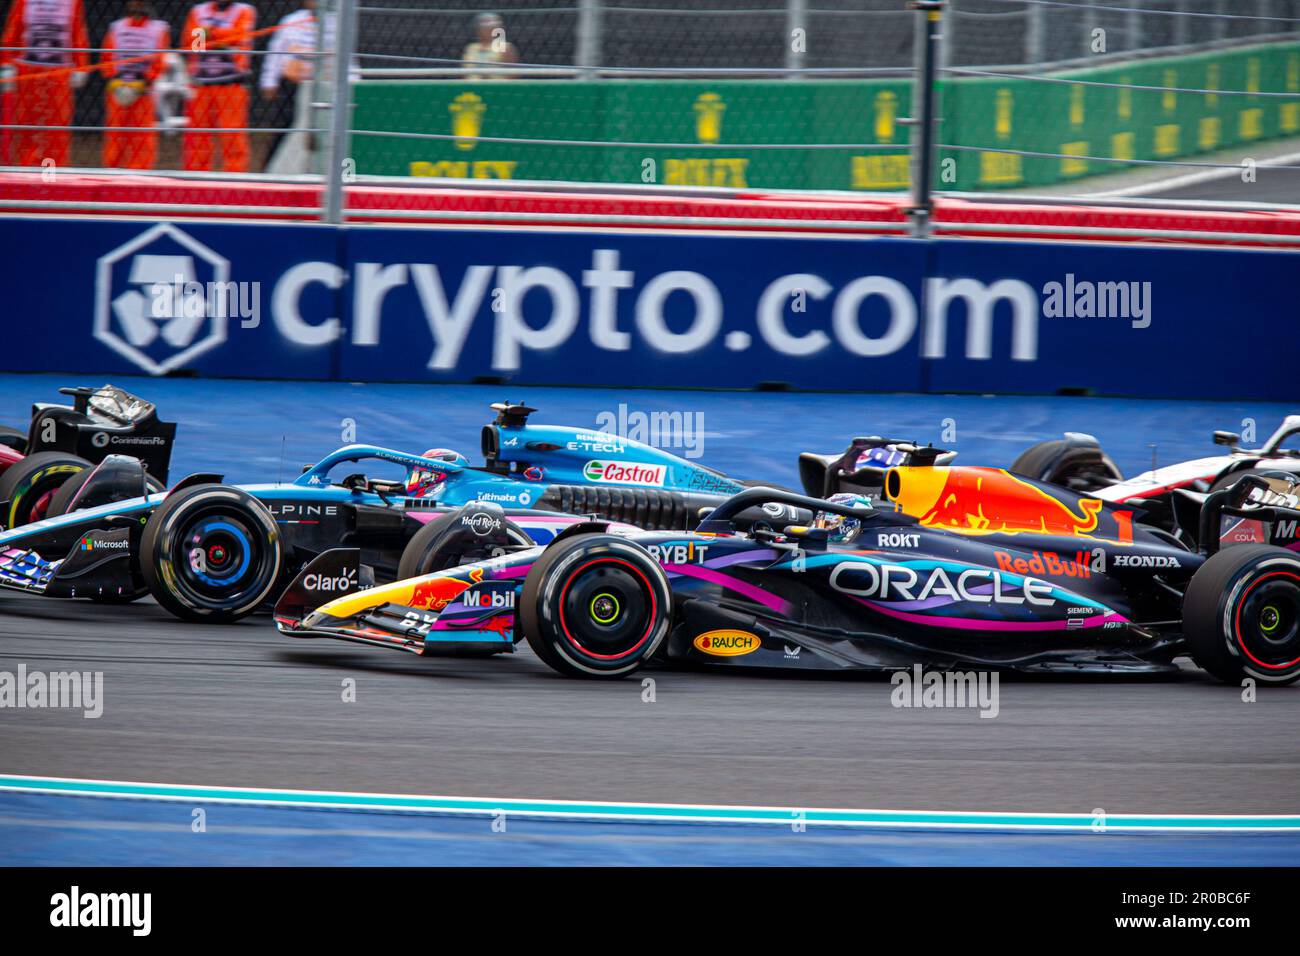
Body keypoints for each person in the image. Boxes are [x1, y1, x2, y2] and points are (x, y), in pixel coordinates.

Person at [0, 0, 90, 168]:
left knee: (55, 129)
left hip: (58, 73)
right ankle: (25, 172)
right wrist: (6, 64)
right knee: (26, 125)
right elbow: (13, 30)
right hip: (27, 72)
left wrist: (81, 65)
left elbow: (77, 32)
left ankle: (52, 174)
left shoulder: (73, 2)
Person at [180, 0, 256, 172]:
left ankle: (234, 180)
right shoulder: (198, 11)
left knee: (233, 138)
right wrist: (223, 39)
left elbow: (240, 36)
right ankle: (195, 180)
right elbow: (192, 43)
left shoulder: (245, 10)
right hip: (200, 84)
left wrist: (209, 33)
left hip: (231, 83)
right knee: (197, 138)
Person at [100, 1, 171, 169]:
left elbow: (160, 61)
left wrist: (145, 81)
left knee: (142, 137)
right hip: (118, 91)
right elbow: (106, 59)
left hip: (143, 92)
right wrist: (114, 80)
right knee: (115, 135)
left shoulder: (159, 29)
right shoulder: (116, 28)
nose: (136, 5)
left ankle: (140, 174)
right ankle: (112, 172)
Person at [259, 0, 316, 165]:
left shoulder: (336, 24)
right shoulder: (291, 21)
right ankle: (270, 170)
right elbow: (275, 52)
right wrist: (269, 81)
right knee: (283, 128)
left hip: (322, 87)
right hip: (292, 87)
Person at [461, 12, 518, 80]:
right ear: (478, 29)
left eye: (493, 27)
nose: (490, 30)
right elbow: (463, 73)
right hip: (472, 87)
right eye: (485, 27)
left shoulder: (505, 47)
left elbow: (512, 75)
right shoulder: (470, 48)